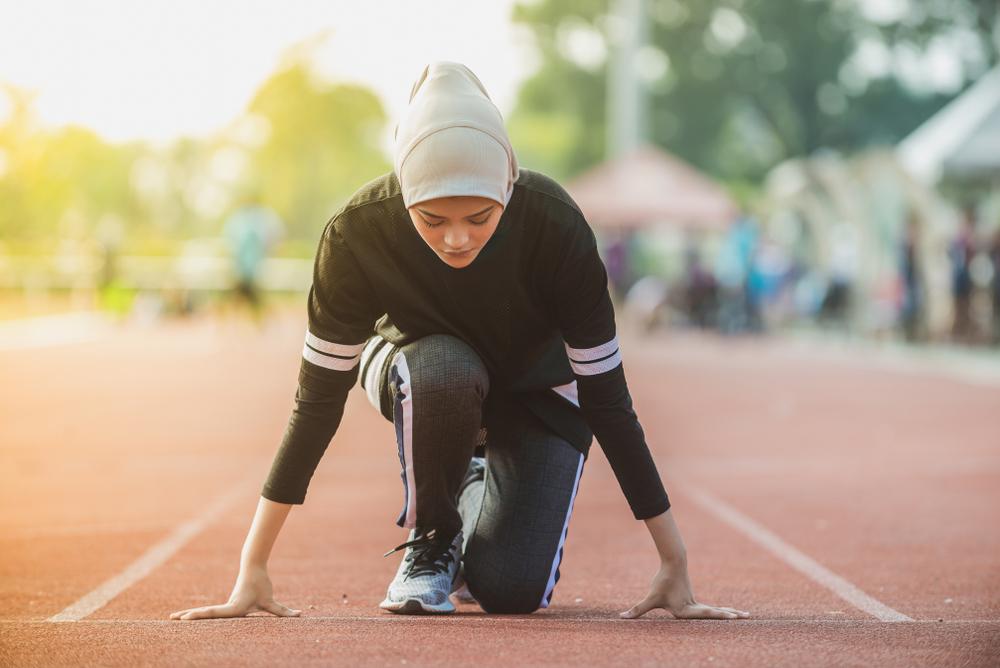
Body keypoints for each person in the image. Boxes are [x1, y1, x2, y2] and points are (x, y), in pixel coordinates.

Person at [169, 61, 749, 621]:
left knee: (512, 591)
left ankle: (472, 483)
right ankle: (434, 536)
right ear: (402, 194)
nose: (455, 239)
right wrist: (254, 563)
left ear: (508, 183)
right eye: (431, 219)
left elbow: (607, 400)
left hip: (535, 388)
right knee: (444, 369)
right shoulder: (356, 234)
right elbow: (317, 401)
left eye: (479, 217)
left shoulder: (557, 227)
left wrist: (673, 560)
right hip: (419, 368)